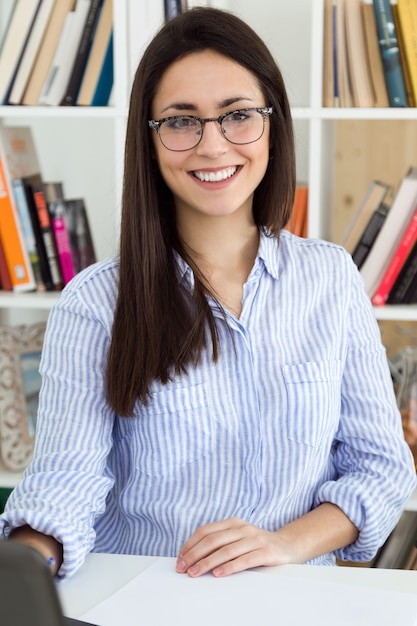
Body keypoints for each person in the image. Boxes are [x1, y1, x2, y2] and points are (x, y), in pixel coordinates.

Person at [1, 7, 415, 580]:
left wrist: (285, 543)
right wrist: (26, 566)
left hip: (297, 602)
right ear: (148, 141)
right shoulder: (95, 304)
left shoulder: (332, 280)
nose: (213, 146)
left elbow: (381, 468)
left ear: (273, 124)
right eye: (180, 121)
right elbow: (63, 483)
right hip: (146, 604)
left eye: (238, 115)